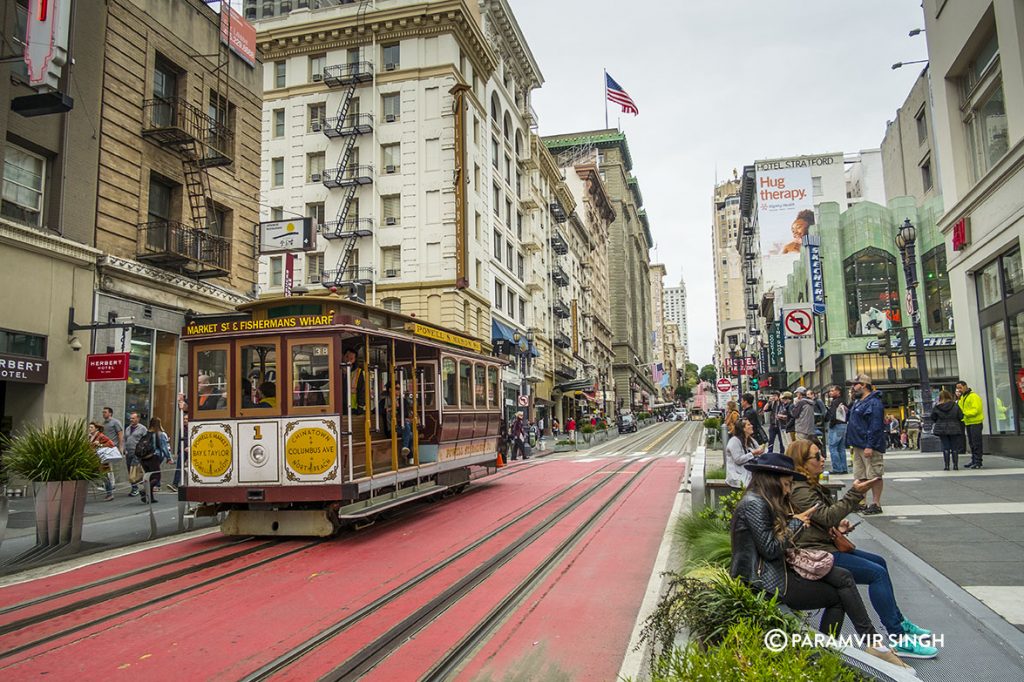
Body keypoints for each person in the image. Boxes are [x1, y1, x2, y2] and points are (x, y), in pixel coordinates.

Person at [729, 452, 907, 668]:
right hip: (765, 582)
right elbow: (770, 549)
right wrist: (796, 523)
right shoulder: (754, 503)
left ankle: (863, 645)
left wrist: (799, 524)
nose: (788, 490)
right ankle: (841, 651)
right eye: (786, 485)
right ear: (772, 481)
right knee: (839, 595)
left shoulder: (763, 501)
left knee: (843, 577)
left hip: (776, 573)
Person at [788, 439, 937, 660]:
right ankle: (897, 636)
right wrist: (854, 494)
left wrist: (837, 527)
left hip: (824, 546)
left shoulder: (808, 485)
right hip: (817, 554)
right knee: (876, 573)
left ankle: (899, 623)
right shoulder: (800, 490)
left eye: (821, 454)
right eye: (816, 456)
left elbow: (822, 520)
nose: (822, 459)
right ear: (802, 463)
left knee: (879, 563)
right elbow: (825, 515)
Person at [846, 374, 887, 515]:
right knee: (860, 474)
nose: (853, 387)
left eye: (855, 384)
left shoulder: (874, 403)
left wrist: (870, 445)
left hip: (869, 445)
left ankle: (876, 503)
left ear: (863, 385)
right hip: (858, 444)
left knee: (874, 474)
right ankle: (862, 501)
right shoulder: (858, 401)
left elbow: (875, 426)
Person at [135, 417, 171, 503]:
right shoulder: (160, 434)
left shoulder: (146, 433)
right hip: (153, 458)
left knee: (149, 477)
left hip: (144, 458)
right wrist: (168, 457)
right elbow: (164, 447)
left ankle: (150, 498)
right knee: (156, 477)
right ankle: (144, 490)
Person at [725, 418, 765, 489]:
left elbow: (758, 449)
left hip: (749, 475)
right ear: (743, 429)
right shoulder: (734, 441)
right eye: (748, 425)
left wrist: (762, 451)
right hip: (737, 477)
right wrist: (753, 453)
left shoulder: (751, 440)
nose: (752, 426)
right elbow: (738, 460)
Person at [930, 390, 965, 471]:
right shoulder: (955, 405)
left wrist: (939, 421)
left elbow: (933, 417)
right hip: (954, 427)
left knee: (945, 447)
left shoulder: (937, 406)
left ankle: (947, 466)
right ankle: (955, 466)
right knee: (954, 447)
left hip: (942, 428)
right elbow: (961, 416)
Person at [956, 381, 985, 469]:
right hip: (968, 422)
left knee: (976, 443)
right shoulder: (963, 397)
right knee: (972, 443)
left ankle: (978, 461)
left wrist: (964, 413)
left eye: (960, 387)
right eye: (957, 388)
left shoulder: (973, 396)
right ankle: (974, 460)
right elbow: (960, 408)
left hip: (975, 422)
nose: (959, 390)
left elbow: (976, 410)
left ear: (965, 386)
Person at [88, 421, 118, 501]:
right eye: (89, 427)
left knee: (104, 477)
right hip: (94, 459)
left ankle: (110, 494)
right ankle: (108, 492)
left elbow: (111, 444)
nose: (89, 429)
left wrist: (100, 444)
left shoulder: (101, 436)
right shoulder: (91, 436)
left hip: (102, 460)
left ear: (96, 428)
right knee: (91, 475)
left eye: (91, 427)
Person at [825, 384, 849, 474]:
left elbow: (833, 415)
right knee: (841, 448)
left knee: (833, 447)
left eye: (832, 390)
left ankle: (837, 468)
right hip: (843, 425)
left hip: (836, 425)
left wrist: (831, 424)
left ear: (838, 392)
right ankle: (843, 468)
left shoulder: (835, 402)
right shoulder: (843, 401)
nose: (830, 392)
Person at [123, 412, 148, 497]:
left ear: (138, 419)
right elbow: (125, 439)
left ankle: (138, 488)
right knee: (130, 471)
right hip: (128, 453)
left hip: (137, 453)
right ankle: (136, 487)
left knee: (135, 471)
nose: (131, 420)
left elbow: (146, 440)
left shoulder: (142, 428)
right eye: (130, 418)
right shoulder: (128, 428)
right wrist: (124, 449)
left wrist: (143, 451)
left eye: (133, 418)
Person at [341, 347, 366, 414]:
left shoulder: (358, 372)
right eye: (347, 357)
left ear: (354, 360)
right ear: (343, 356)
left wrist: (360, 406)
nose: (348, 360)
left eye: (351, 358)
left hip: (352, 407)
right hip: (338, 405)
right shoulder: (336, 369)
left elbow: (362, 390)